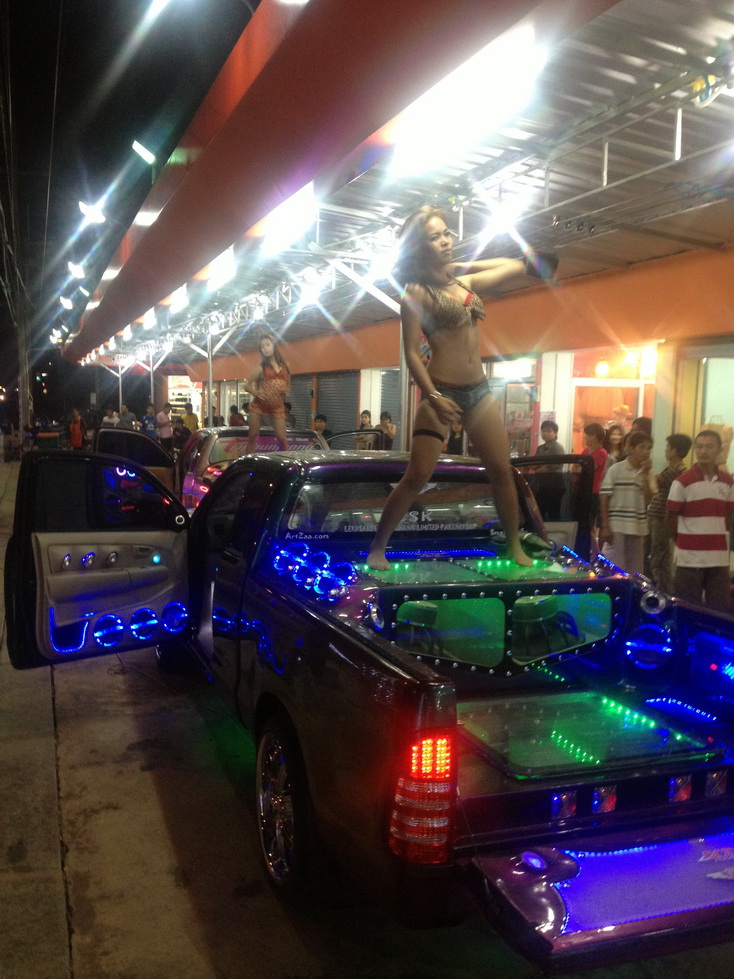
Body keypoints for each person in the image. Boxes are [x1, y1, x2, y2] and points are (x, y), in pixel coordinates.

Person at [366, 205, 556, 570]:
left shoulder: (464, 283)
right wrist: (434, 397)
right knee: (417, 476)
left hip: (478, 390)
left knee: (502, 471)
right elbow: (411, 353)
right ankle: (378, 547)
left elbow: (512, 267)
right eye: (434, 237)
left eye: (446, 234)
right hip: (442, 390)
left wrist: (464, 265)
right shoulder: (416, 292)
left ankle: (513, 545)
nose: (445, 241)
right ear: (418, 247)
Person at [667, 429, 734, 612]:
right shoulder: (682, 482)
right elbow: (670, 517)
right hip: (689, 558)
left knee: (719, 609)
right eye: (700, 447)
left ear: (719, 450)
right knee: (687, 608)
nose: (703, 451)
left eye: (709, 447)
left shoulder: (728, 482)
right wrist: (681, 541)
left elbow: (729, 516)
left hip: (718, 558)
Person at [599, 431, 653, 574]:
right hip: (617, 524)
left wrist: (645, 474)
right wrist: (605, 526)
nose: (646, 452)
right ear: (631, 448)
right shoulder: (616, 469)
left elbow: (648, 499)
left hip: (638, 525)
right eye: (642, 447)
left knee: (636, 569)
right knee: (616, 566)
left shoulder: (648, 472)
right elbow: (604, 496)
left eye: (649, 448)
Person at [647, 433, 691, 593]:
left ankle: (661, 589)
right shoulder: (678, 469)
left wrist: (647, 469)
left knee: (659, 553)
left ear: (675, 450)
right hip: (660, 515)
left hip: (661, 516)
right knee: (661, 553)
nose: (665, 450)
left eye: (668, 447)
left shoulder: (675, 470)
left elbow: (654, 482)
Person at [245, 334, 290, 453]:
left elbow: (288, 384)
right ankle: (247, 461)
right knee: (252, 436)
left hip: (277, 406)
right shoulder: (260, 368)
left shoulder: (286, 365)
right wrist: (256, 393)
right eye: (262, 347)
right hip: (259, 405)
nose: (265, 348)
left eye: (267, 345)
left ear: (274, 345)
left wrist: (286, 390)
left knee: (282, 438)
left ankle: (285, 461)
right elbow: (246, 385)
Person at [534, 419, 566, 521]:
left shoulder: (557, 447)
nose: (545, 433)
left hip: (555, 484)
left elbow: (553, 465)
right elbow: (535, 463)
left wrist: (537, 470)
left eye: (549, 431)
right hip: (543, 484)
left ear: (555, 433)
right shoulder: (540, 448)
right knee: (540, 511)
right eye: (543, 431)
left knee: (553, 512)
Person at [581, 423, 608, 542]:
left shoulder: (601, 452)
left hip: (593, 491)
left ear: (594, 436)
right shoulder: (586, 450)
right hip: (582, 489)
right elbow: (576, 467)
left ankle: (592, 547)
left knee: (589, 523)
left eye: (587, 435)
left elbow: (587, 469)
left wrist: (580, 468)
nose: (585, 437)